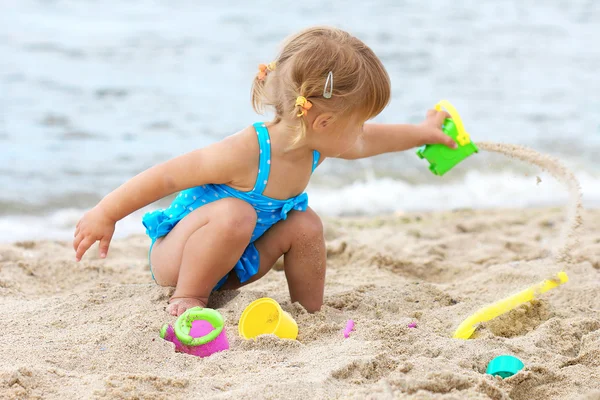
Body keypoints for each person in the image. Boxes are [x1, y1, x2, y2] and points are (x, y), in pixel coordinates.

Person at [73, 26, 456, 316]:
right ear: (322, 122)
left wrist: (424, 134)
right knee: (235, 212)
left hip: (239, 264)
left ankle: (310, 312)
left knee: (306, 224)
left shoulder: (315, 146)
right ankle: (189, 297)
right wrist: (106, 214)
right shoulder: (247, 150)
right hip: (180, 260)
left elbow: (374, 141)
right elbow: (167, 176)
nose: (361, 133)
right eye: (357, 123)